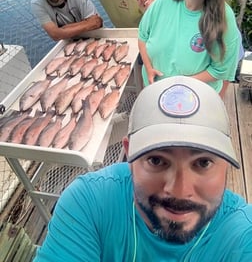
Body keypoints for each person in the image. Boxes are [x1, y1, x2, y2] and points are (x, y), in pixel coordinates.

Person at [33, 75, 252, 261]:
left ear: (226, 161)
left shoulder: (242, 235)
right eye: (157, 160)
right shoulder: (90, 202)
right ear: (129, 154)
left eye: (203, 163)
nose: (180, 190)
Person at [138, 0, 240, 98]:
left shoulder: (223, 16)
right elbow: (142, 36)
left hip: (195, 96)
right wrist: (148, 67)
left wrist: (178, 86)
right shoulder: (163, 0)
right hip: (154, 90)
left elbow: (220, 70)